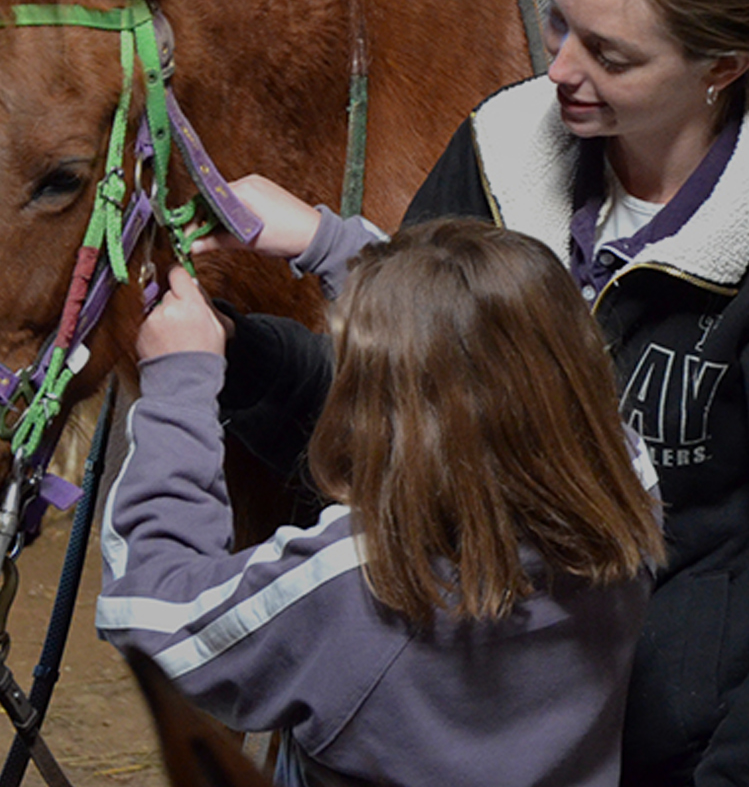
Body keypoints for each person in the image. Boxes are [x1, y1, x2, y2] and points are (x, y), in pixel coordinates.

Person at [209, 0, 749, 786]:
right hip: (450, 735)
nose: (558, 70)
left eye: (611, 54)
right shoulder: (499, 155)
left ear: (722, 66)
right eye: (558, 23)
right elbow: (403, 428)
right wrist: (237, 356)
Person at [96, 219, 666, 787]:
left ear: (384, 415)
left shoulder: (362, 585)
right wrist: (328, 242)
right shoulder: (626, 493)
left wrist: (180, 382)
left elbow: (152, 621)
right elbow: (481, 349)